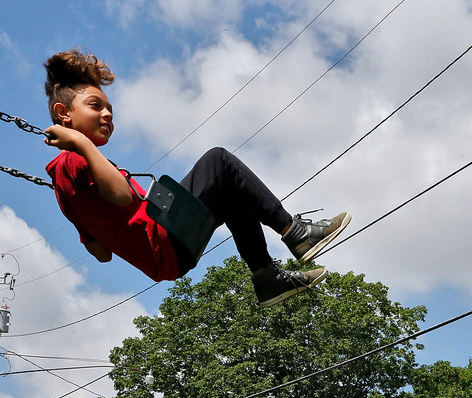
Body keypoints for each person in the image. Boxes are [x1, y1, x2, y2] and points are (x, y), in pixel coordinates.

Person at [42, 49, 351, 308]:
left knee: (231, 192)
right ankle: (295, 231)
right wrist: (81, 143)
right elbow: (123, 197)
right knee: (219, 162)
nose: (108, 114)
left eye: (110, 108)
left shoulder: (64, 185)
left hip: (168, 257)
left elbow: (101, 253)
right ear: (63, 113)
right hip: (163, 242)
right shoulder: (74, 158)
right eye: (96, 106)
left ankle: (266, 276)